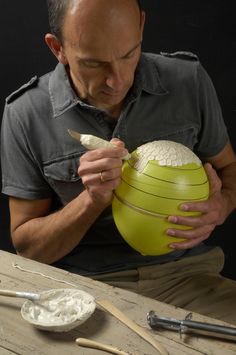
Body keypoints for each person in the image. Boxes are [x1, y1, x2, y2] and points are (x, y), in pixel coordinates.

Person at [1, 0, 236, 324]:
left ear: (140, 26)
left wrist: (221, 205)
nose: (117, 79)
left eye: (128, 54)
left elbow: (229, 170)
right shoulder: (25, 114)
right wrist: (91, 200)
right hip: (81, 291)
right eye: (94, 63)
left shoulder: (187, 80)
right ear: (58, 49)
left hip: (189, 278)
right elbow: (29, 251)